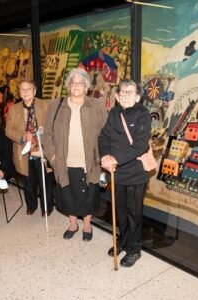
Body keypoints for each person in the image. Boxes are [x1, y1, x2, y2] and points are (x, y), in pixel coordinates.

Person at [42, 68, 108, 241]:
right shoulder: (56, 105)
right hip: (64, 161)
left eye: (80, 83)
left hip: (90, 161)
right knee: (68, 195)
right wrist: (53, 157)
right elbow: (47, 135)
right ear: (68, 86)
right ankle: (73, 224)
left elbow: (106, 133)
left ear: (86, 86)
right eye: (73, 82)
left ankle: (87, 224)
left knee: (89, 196)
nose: (76, 85)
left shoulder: (96, 105)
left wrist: (103, 156)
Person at [99, 79, 151, 267]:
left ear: (138, 96)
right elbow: (104, 136)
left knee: (134, 213)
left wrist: (115, 158)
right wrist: (105, 156)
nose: (126, 95)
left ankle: (135, 248)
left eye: (131, 92)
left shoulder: (143, 114)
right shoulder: (114, 113)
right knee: (120, 211)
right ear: (118, 96)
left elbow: (140, 145)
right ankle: (123, 241)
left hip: (136, 174)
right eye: (123, 92)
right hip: (117, 173)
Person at [6, 79, 54, 216]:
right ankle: (31, 205)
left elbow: (53, 125)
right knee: (28, 179)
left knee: (45, 179)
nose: (26, 92)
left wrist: (45, 130)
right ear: (19, 93)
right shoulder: (13, 109)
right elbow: (8, 130)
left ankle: (47, 207)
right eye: (22, 89)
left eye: (29, 89)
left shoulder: (45, 105)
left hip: (42, 149)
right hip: (24, 150)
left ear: (35, 91)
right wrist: (22, 136)